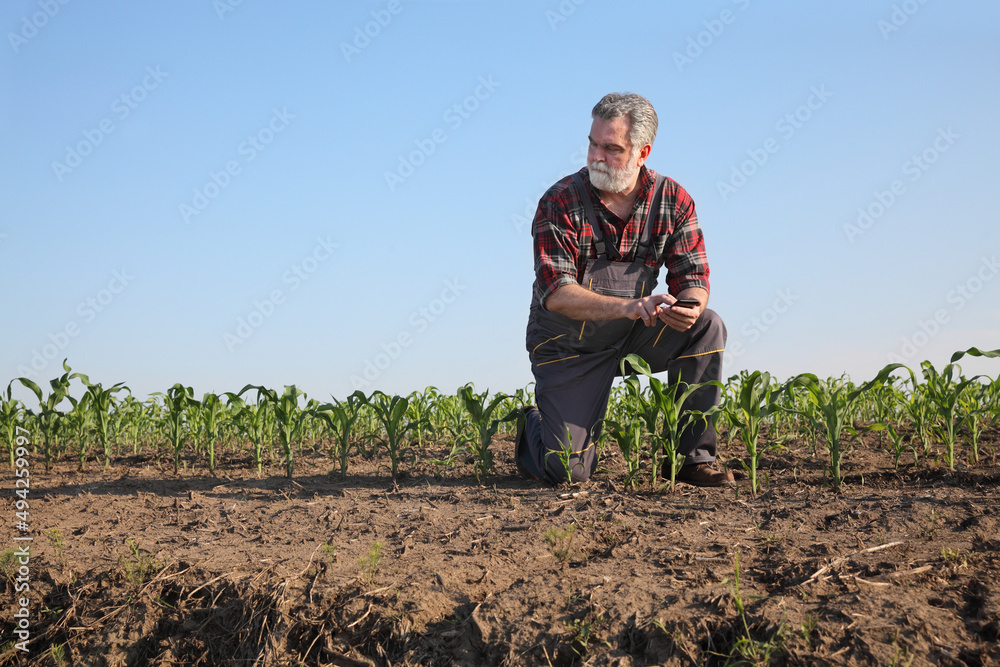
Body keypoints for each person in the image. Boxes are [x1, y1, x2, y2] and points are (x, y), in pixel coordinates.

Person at [516, 92, 733, 487]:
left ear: (642, 152)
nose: (596, 156)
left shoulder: (673, 200)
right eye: (592, 144)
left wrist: (689, 305)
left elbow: (694, 277)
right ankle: (533, 428)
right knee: (568, 470)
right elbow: (557, 292)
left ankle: (692, 460)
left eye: (612, 148)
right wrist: (629, 306)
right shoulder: (560, 202)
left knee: (707, 325)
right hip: (568, 347)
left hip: (634, 336)